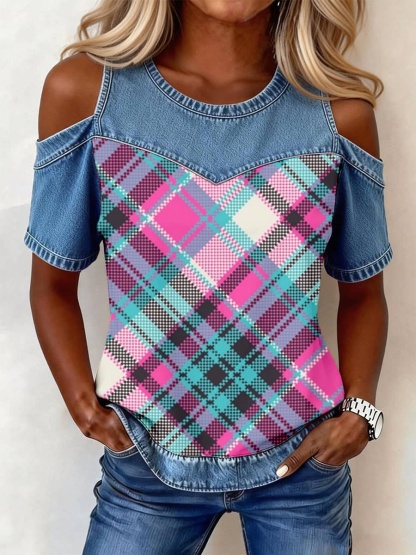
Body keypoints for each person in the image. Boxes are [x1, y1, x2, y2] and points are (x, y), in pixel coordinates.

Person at [24, 0, 392, 553]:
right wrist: (85, 409)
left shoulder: (338, 115)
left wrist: (359, 414)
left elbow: (363, 294)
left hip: (303, 470)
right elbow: (51, 285)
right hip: (145, 467)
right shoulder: (88, 95)